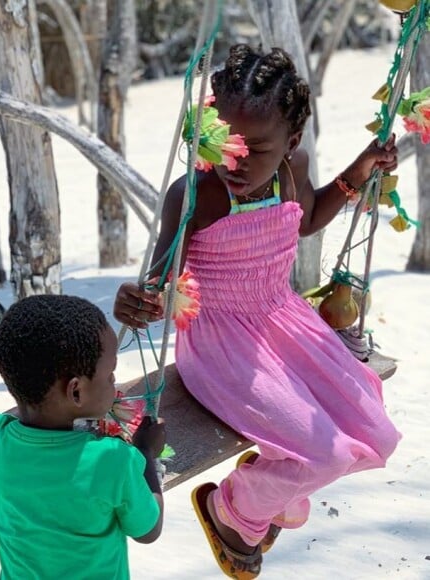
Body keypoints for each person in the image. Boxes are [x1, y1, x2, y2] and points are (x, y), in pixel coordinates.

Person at [113, 44, 401, 577]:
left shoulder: (294, 169)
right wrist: (140, 300)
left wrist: (359, 171)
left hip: (285, 322)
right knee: (328, 453)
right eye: (226, 143)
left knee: (378, 434)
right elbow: (162, 280)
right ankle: (234, 507)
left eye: (256, 149)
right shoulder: (195, 193)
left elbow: (307, 219)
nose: (234, 162)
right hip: (222, 344)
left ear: (292, 142)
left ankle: (269, 484)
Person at [0, 294, 165, 580]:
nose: (114, 382)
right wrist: (146, 453)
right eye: (110, 374)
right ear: (75, 392)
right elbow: (148, 530)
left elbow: (18, 413)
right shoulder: (113, 460)